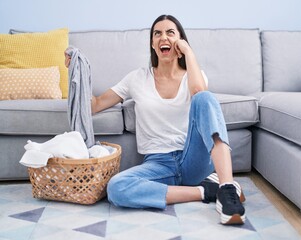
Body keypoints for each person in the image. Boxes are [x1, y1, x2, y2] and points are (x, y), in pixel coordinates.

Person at [65, 14, 246, 225]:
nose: (163, 38)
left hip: (193, 158)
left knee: (205, 97)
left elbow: (198, 92)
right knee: (116, 188)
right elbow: (94, 105)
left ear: (180, 39)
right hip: (158, 163)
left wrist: (188, 52)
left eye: (171, 33)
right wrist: (75, 72)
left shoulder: (194, 75)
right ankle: (206, 191)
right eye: (157, 33)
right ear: (152, 43)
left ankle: (227, 188)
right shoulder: (137, 78)